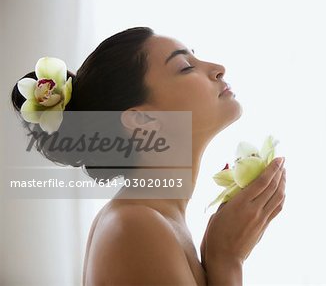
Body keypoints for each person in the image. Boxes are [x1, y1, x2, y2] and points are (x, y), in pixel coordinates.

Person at [10, 26, 287, 285]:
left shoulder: (152, 219)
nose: (218, 69)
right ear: (142, 120)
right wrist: (227, 260)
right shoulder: (135, 226)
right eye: (186, 67)